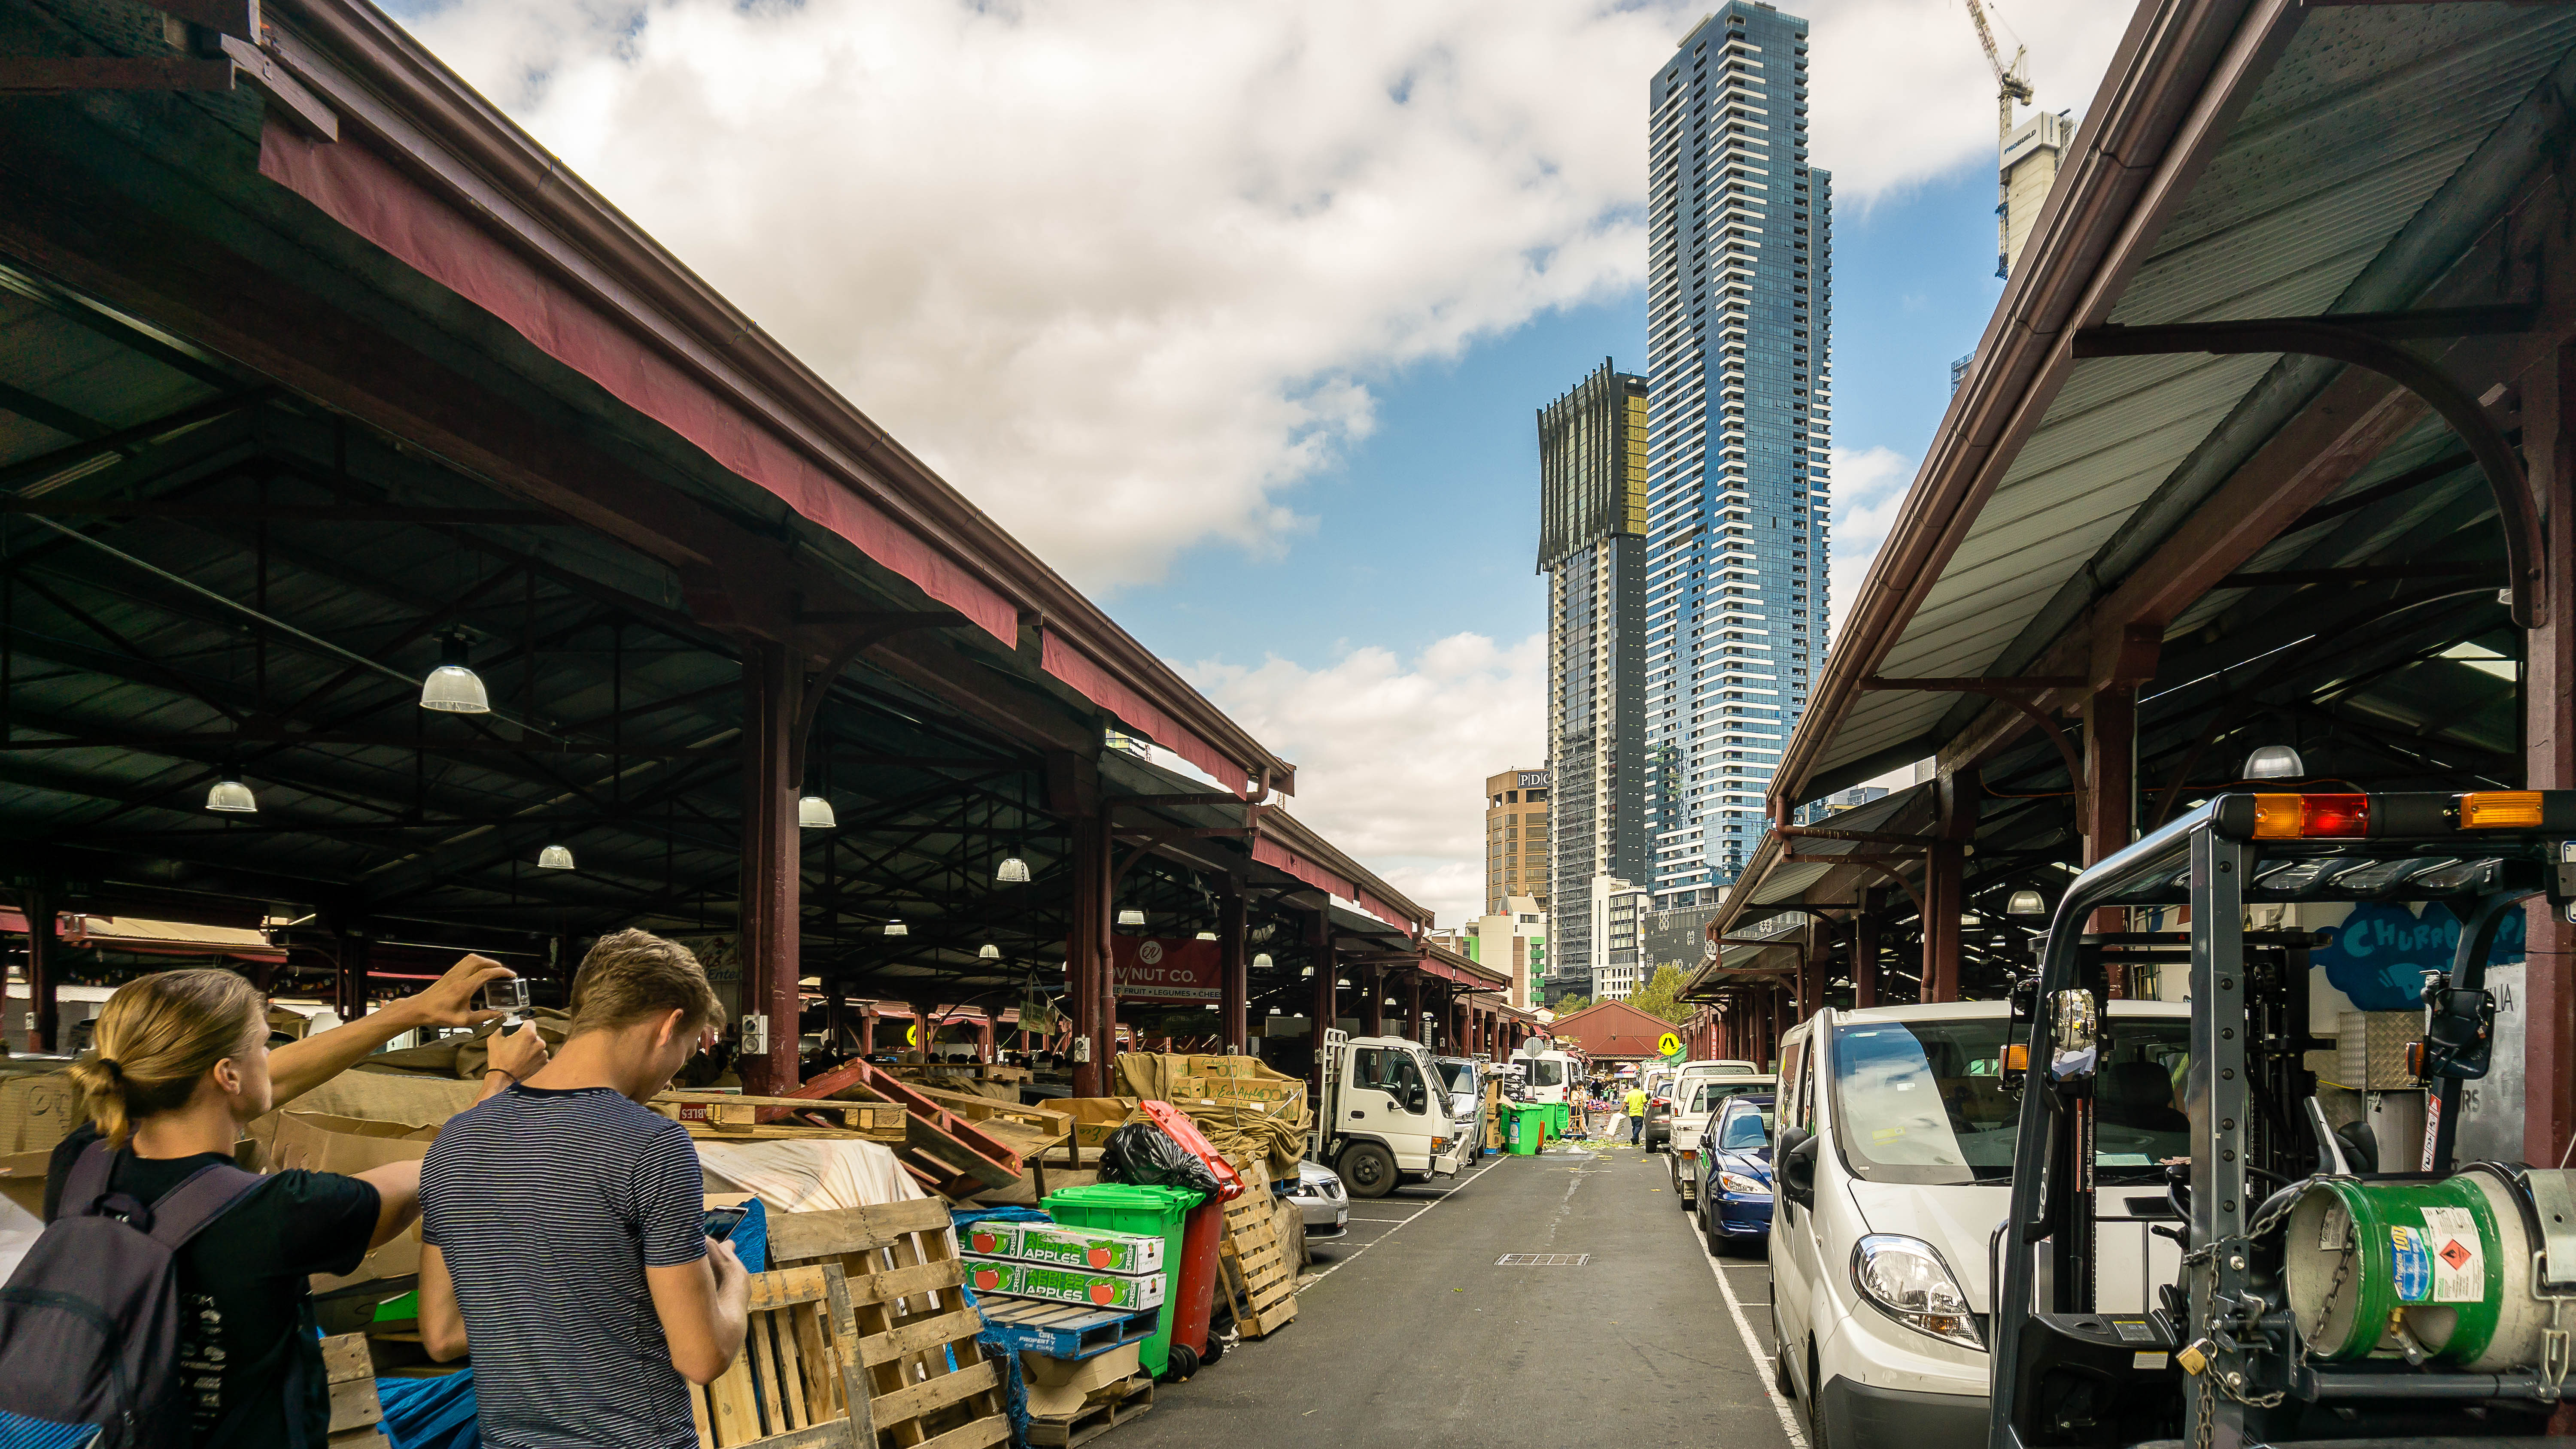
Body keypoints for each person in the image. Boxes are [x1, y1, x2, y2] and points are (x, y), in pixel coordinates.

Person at [34, 957, 545, 1447]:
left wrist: (413, 1010)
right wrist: (500, 1078)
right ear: (227, 1075)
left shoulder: (81, 1165)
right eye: (263, 1045)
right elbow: (444, 1168)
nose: (271, 1058)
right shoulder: (280, 1214)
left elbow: (269, 1079)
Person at [418, 929, 746, 1449]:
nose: (669, 1078)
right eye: (683, 1056)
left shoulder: (457, 1140)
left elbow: (440, 1334)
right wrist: (734, 1283)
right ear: (668, 1026)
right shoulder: (652, 1145)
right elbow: (702, 1357)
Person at [1624, 1082, 1649, 1146]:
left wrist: (1620, 1110)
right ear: (1639, 1086)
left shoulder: (1629, 1094)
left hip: (1631, 1113)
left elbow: (1625, 1102)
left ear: (1633, 1086)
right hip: (1639, 1113)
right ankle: (1634, 1137)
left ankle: (1636, 1141)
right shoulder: (1642, 1093)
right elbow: (1645, 1102)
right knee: (1639, 1127)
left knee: (1634, 1127)